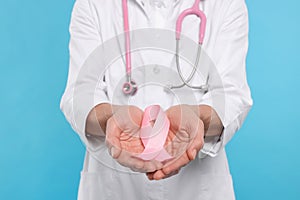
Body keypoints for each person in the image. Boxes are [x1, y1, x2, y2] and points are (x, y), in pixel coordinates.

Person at [60, 0, 253, 199]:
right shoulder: (93, 4)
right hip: (114, 188)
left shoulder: (226, 5)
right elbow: (79, 94)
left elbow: (231, 94)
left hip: (196, 189)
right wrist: (112, 118)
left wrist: (197, 120)